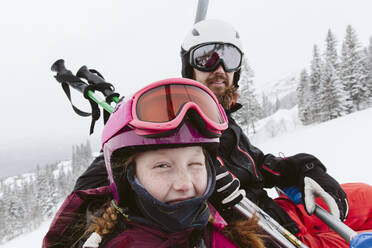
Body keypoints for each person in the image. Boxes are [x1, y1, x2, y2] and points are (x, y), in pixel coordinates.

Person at [180, 19, 372, 247]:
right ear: (189, 68)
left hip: (280, 214)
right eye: (205, 59)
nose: (219, 69)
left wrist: (305, 167)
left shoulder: (225, 122)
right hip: (268, 236)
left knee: (366, 195)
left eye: (229, 58)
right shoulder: (180, 131)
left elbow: (259, 163)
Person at [43, 78, 266, 248]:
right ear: (128, 177)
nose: (184, 184)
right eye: (162, 166)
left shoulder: (223, 231)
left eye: (195, 164)